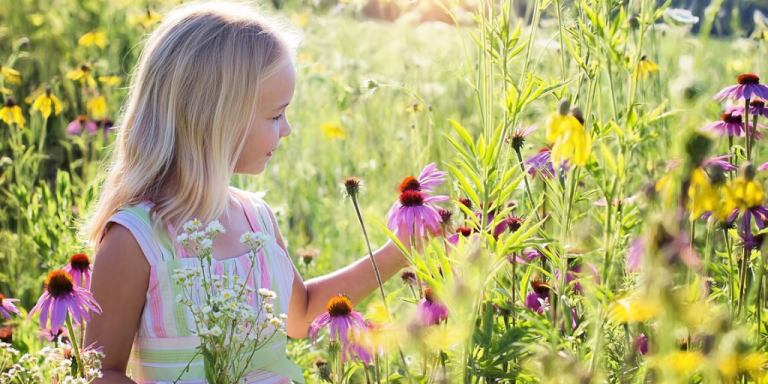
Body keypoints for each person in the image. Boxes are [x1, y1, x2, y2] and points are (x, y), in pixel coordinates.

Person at [81, 2, 419, 383]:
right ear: (216, 119)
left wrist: (400, 249)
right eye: (276, 115)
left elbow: (302, 313)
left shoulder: (255, 217)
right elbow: (102, 372)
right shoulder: (136, 239)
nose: (287, 129)